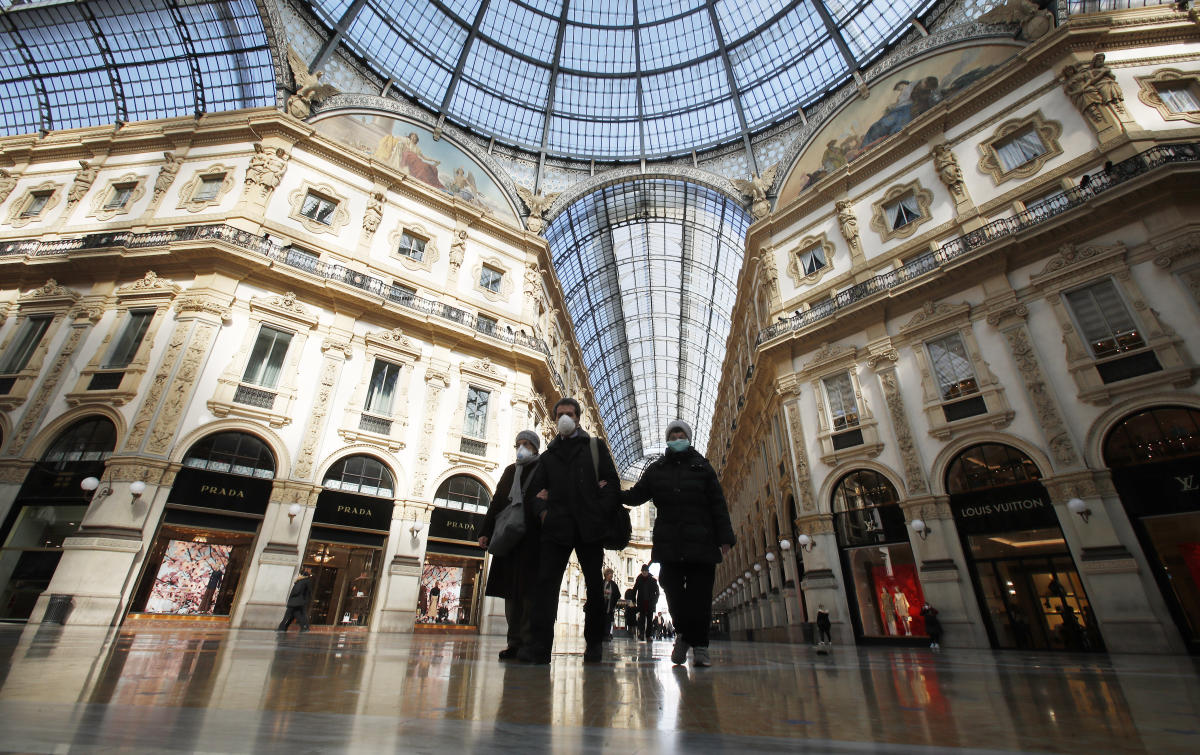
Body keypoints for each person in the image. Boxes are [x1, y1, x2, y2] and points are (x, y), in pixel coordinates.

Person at [623, 420, 736, 667]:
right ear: (667, 438)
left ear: (689, 437)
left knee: (700, 596)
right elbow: (636, 495)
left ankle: (701, 647)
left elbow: (718, 503)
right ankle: (684, 634)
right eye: (672, 434)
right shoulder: (657, 469)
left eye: (681, 433)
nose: (676, 437)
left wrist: (725, 537)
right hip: (670, 541)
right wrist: (610, 491)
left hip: (702, 542)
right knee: (672, 589)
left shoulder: (703, 467)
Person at [522, 397, 621, 664]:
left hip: (589, 528)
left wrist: (599, 510)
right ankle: (539, 647)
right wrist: (544, 512)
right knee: (546, 586)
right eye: (560, 414)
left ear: (578, 418)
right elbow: (535, 491)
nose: (564, 418)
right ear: (555, 420)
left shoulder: (594, 447)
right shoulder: (549, 455)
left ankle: (594, 644)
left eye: (569, 413)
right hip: (557, 527)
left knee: (594, 587)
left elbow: (612, 483)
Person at [476, 429, 543, 660]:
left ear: (535, 447)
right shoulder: (509, 471)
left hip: (531, 539)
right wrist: (485, 531)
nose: (522, 448)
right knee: (510, 594)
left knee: (527, 593)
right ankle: (513, 642)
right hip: (507, 539)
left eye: (527, 444)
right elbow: (496, 503)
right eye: (519, 444)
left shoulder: (542, 469)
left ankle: (526, 641)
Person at [632, 564, 660, 642]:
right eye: (643, 571)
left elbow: (657, 592)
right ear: (642, 571)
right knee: (642, 619)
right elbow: (634, 590)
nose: (644, 572)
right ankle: (641, 634)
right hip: (641, 602)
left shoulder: (653, 580)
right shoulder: (639, 579)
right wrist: (634, 600)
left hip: (650, 603)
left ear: (648, 571)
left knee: (649, 620)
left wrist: (655, 601)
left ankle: (648, 636)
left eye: (645, 571)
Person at [601, 568, 620, 641]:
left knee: (608, 620)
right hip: (602, 604)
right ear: (606, 575)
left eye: (612, 575)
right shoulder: (602, 583)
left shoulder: (613, 584)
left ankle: (606, 635)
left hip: (609, 605)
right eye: (609, 574)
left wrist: (613, 601)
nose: (611, 576)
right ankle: (602, 634)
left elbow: (618, 594)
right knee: (602, 620)